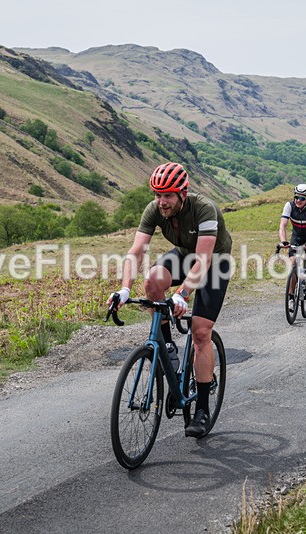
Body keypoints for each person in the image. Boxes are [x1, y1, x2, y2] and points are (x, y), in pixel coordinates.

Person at [107, 162, 233, 438]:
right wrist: (124, 289)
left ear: (182, 194)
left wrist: (182, 294)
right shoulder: (154, 210)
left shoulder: (204, 209)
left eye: (168, 196)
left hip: (214, 263)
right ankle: (167, 348)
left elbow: (203, 261)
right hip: (184, 254)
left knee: (200, 333)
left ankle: (201, 409)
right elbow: (136, 250)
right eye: (157, 195)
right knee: (152, 281)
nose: (161, 202)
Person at [278, 183, 306, 311]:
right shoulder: (289, 206)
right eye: (296, 197)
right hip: (296, 236)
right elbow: (282, 225)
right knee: (292, 266)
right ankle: (291, 297)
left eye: (301, 198)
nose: (298, 200)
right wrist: (283, 241)